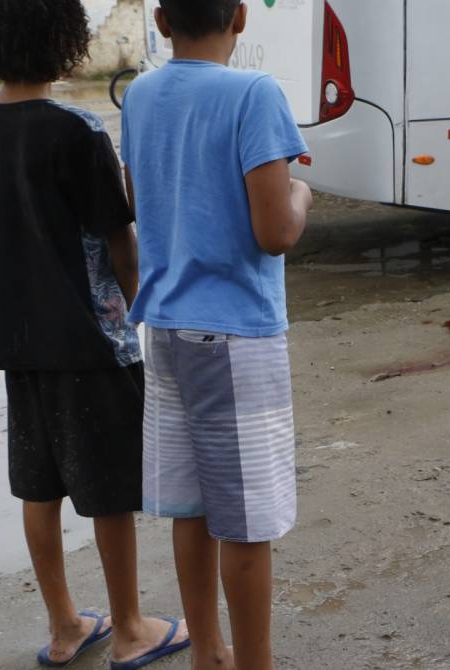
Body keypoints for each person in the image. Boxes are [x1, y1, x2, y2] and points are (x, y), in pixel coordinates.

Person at [0, 1, 191, 668]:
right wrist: (135, 317)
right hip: (91, 342)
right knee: (109, 490)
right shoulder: (78, 129)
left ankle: (65, 626)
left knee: (39, 483)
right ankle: (128, 628)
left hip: (19, 341)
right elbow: (122, 247)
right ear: (66, 41)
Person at [120, 1, 313, 667]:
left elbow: (142, 203)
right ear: (240, 17)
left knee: (191, 507)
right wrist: (303, 196)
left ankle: (208, 652)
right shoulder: (255, 94)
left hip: (167, 329)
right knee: (248, 524)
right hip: (234, 336)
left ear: (163, 22)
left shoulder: (140, 94)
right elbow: (275, 232)